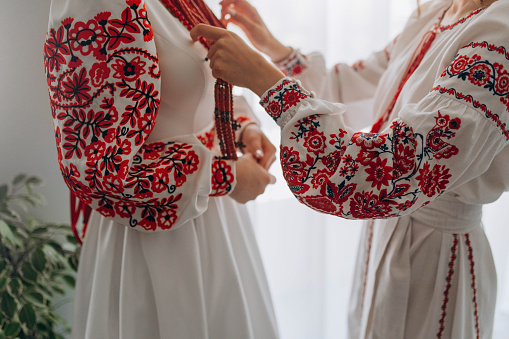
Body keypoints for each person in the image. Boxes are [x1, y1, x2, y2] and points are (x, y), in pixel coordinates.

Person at [191, 0, 509, 337]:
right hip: (386, 237)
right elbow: (353, 88)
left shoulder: (498, 34)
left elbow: (394, 169)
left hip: (436, 256)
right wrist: (273, 48)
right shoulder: (437, 12)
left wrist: (269, 83)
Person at [43, 0, 280, 338]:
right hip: (152, 242)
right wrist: (225, 177)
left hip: (218, 224)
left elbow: (199, 86)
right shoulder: (97, 5)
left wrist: (240, 127)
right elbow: (94, 167)